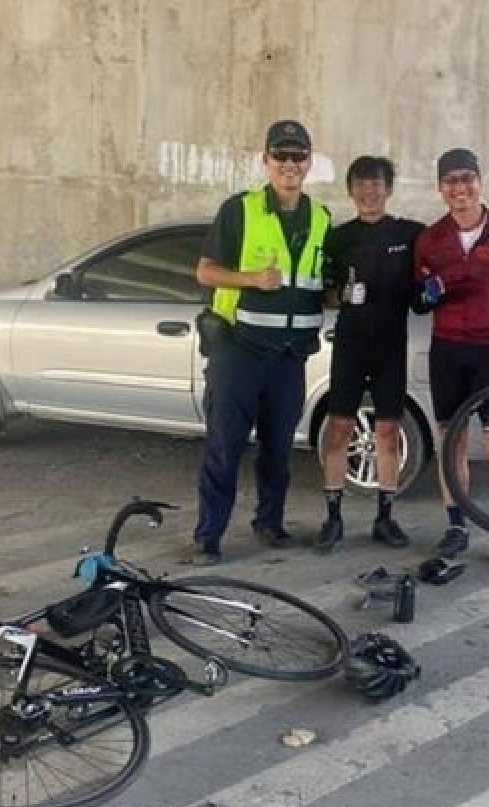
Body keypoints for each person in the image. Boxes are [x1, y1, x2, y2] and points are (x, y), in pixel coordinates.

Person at [189, 120, 331, 565]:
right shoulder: (240, 210)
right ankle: (208, 537)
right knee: (225, 446)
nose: (290, 164)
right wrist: (252, 279)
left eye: (298, 155)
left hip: (289, 356)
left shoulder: (321, 218)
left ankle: (269, 523)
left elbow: (316, 282)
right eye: (280, 155)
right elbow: (205, 272)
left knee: (279, 449)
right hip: (239, 349)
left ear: (308, 162)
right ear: (266, 160)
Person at [413, 147, 489, 568]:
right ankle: (456, 528)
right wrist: (429, 294)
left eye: (467, 178)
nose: (460, 188)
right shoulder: (431, 239)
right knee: (452, 444)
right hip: (447, 351)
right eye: (451, 181)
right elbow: (418, 302)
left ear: (480, 183)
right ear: (440, 189)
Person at [315, 156, 424, 553]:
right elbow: (325, 295)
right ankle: (333, 517)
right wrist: (339, 294)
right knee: (339, 428)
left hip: (390, 347)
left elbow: (438, 263)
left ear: (388, 189)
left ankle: (385, 517)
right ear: (351, 191)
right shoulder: (338, 237)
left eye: (376, 184)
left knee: (388, 432)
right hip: (349, 346)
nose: (369, 192)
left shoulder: (410, 234)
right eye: (361, 184)